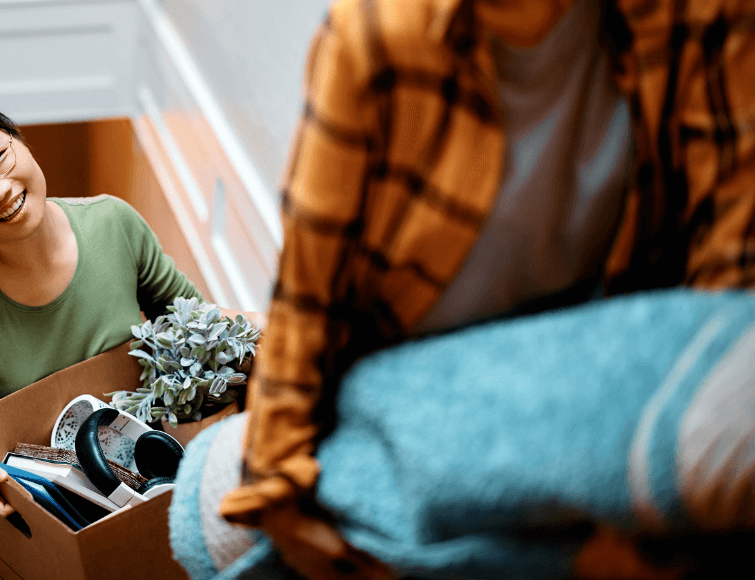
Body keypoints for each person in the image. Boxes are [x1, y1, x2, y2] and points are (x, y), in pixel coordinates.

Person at [218, 0, 755, 578]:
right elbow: (307, 296)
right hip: (410, 393)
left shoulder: (702, 20)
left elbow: (721, 299)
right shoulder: (376, 36)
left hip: (594, 383)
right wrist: (275, 487)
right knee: (231, 527)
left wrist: (656, 486)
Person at [0, 93, 205, 577]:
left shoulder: (114, 224)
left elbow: (189, 317)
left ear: (18, 136)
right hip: (37, 509)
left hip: (144, 479)